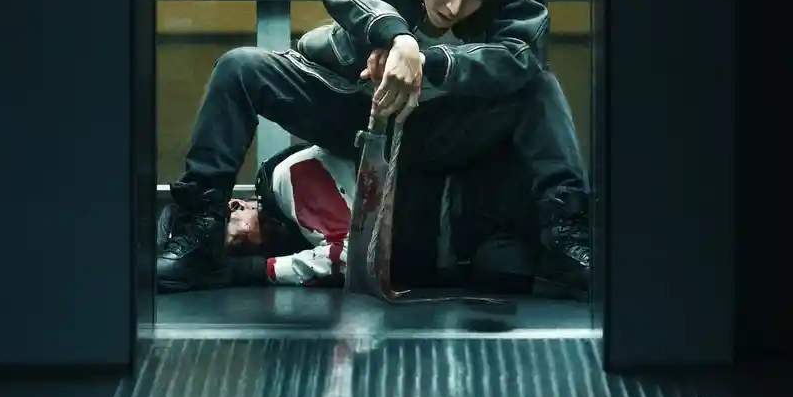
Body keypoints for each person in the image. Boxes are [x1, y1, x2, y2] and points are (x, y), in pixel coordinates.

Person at [156, 0, 591, 298]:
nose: (454, 6)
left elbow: (519, 54)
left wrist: (426, 61)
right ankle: (200, 237)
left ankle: (566, 242)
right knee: (239, 68)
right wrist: (394, 35)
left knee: (540, 87)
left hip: (442, 124)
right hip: (351, 101)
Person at [158, 141, 550, 295]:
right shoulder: (291, 228)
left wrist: (259, 271)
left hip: (474, 207)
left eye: (229, 238)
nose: (239, 247)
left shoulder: (288, 179)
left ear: (235, 206)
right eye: (232, 252)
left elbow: (354, 254)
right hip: (465, 249)